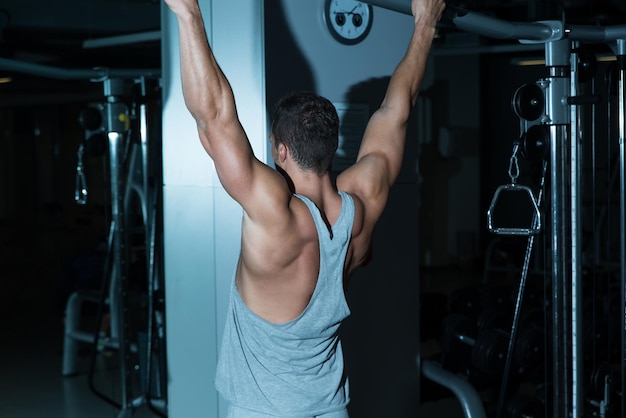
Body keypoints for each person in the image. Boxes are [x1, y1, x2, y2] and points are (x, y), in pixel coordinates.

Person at [164, 0, 445, 416]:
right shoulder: (362, 201)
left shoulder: (274, 212)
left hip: (261, 410)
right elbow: (397, 110)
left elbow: (214, 117)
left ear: (281, 150)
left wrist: (188, 13)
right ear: (333, 148)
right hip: (330, 407)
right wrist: (425, 24)